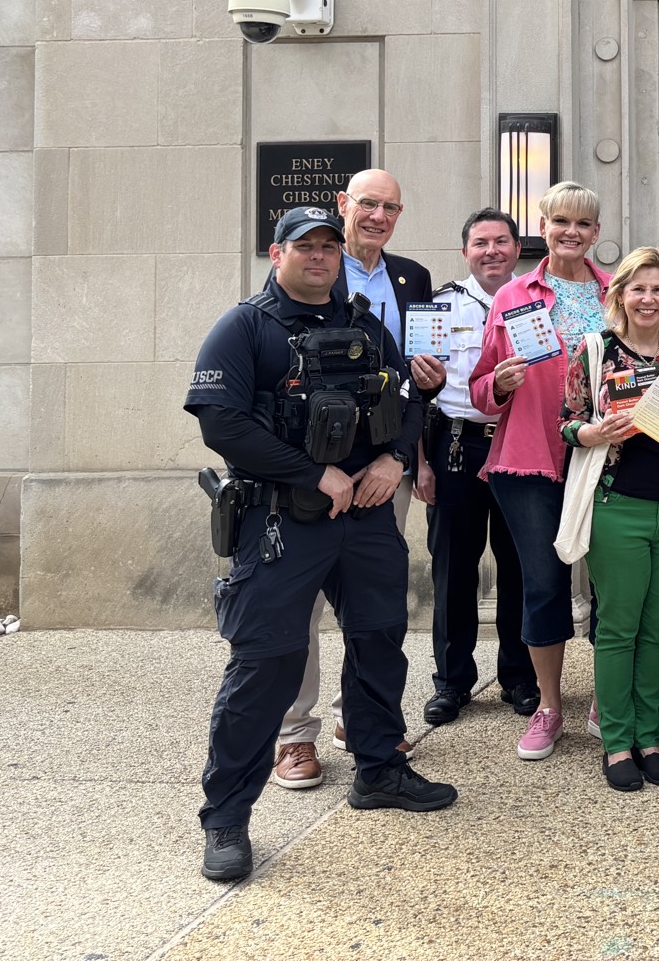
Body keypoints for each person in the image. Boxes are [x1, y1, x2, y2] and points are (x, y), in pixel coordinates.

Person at [185, 206, 453, 882]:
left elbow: (409, 396)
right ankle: (226, 818)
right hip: (282, 518)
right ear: (277, 255)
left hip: (365, 516)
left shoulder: (365, 324)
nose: (320, 256)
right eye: (305, 246)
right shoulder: (245, 327)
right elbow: (221, 423)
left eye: (329, 246)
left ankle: (379, 768)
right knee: (266, 663)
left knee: (378, 640)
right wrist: (311, 473)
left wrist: (394, 457)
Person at [272, 168, 431, 792]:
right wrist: (313, 470)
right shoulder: (307, 274)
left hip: (382, 468)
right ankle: (295, 733)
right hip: (313, 473)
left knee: (373, 606)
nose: (378, 216)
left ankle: (358, 720)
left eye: (391, 207)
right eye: (368, 204)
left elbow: (410, 379)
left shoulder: (411, 277)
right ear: (344, 204)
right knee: (302, 606)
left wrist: (402, 457)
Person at [470, 181, 613, 762]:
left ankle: (608, 697)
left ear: (596, 233)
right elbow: (480, 386)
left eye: (582, 223)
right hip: (529, 458)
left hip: (604, 456)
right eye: (561, 222)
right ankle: (549, 707)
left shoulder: (616, 292)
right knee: (544, 584)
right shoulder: (512, 296)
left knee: (611, 584)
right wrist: (500, 384)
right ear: (544, 227)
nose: (571, 232)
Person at [559, 247, 659, 791]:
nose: (648, 299)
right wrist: (593, 432)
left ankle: (651, 737)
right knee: (619, 628)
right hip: (616, 503)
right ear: (619, 294)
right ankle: (617, 741)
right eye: (638, 288)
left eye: (658, 289)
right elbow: (567, 422)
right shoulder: (596, 349)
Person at [411, 208, 537, 728]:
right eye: (481, 243)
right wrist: (419, 463)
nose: (492, 251)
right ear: (465, 251)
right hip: (456, 447)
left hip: (519, 447)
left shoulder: (534, 303)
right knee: (453, 569)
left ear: (517, 249)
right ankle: (452, 681)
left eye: (502, 242)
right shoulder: (438, 306)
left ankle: (520, 676)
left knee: (520, 567)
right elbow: (416, 392)